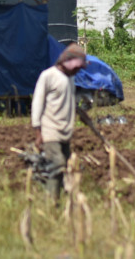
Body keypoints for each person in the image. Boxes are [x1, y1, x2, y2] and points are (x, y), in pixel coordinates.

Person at [31, 43, 87, 201]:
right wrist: (38, 132)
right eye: (76, 67)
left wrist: (82, 115)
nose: (77, 71)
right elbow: (37, 103)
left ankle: (63, 199)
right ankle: (51, 202)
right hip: (50, 131)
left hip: (65, 131)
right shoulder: (48, 76)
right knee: (58, 164)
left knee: (66, 167)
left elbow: (70, 101)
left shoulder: (70, 79)